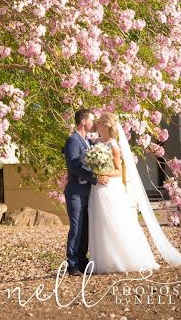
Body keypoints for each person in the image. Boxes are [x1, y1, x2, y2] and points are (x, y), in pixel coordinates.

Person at [87, 112, 181, 274]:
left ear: (106, 126)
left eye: (100, 122)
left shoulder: (113, 146)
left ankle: (122, 259)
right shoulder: (97, 143)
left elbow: (118, 170)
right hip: (98, 187)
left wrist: (104, 174)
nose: (97, 124)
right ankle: (103, 260)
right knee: (100, 220)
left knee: (115, 221)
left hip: (110, 187)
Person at [62, 108, 110, 276]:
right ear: (83, 122)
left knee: (85, 229)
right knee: (76, 228)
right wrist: (95, 179)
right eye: (91, 119)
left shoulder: (86, 141)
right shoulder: (73, 141)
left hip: (87, 192)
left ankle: (82, 262)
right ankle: (73, 265)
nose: (93, 122)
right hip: (75, 192)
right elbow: (74, 167)